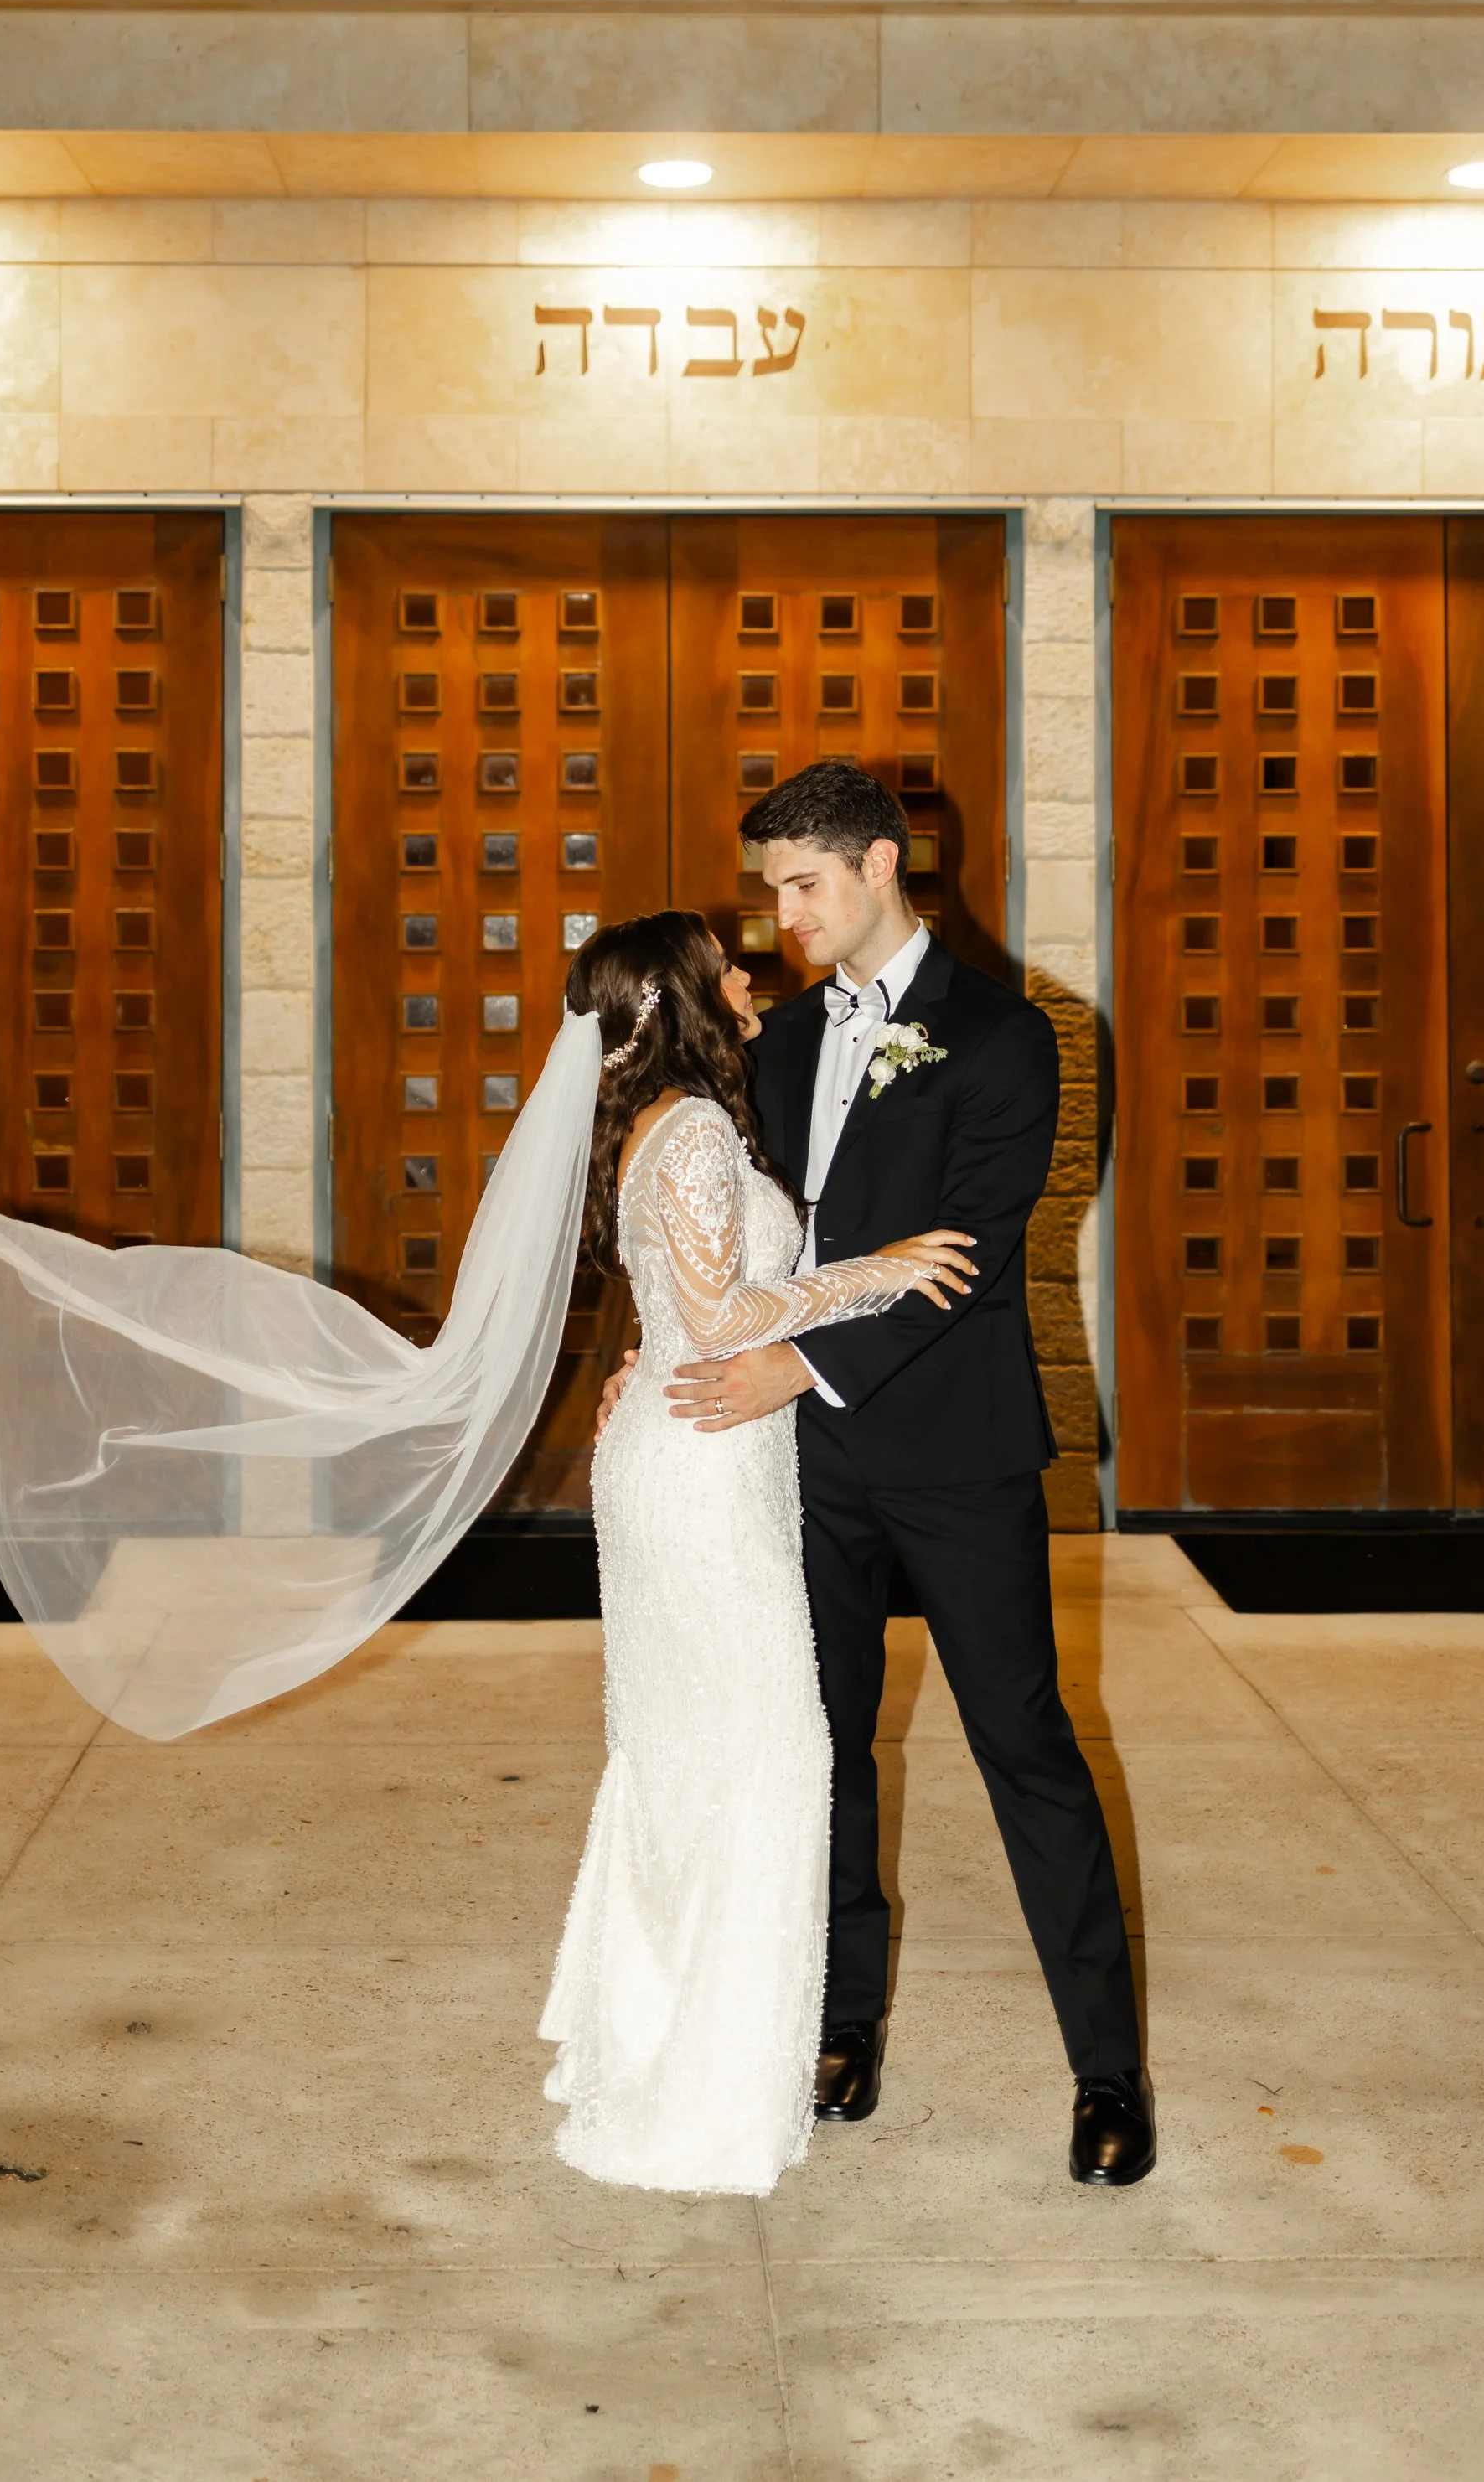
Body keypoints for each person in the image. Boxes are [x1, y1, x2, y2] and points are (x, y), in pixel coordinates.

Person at [601, 764, 1154, 2187]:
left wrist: (798, 1366)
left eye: (805, 887)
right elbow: (725, 1226)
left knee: (1024, 1746)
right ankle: (844, 2025)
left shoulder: (1007, 1036)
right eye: (771, 891)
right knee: (825, 1744)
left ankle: (1108, 2071)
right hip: (796, 1468)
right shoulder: (779, 1041)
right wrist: (659, 1344)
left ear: (883, 865)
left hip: (954, 1455)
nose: (782, 918)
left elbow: (964, 1268)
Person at [541, 908, 975, 2195]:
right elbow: (725, 1311)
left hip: (695, 1453)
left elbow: (681, 1310)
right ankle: (702, 2083)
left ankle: (677, 2046)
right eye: (728, 966)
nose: (750, 977)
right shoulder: (695, 1130)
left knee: (696, 1757)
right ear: (682, 995)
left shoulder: (662, 1124)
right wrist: (883, 1272)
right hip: (701, 1471)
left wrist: (655, 1351)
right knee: (766, 1754)